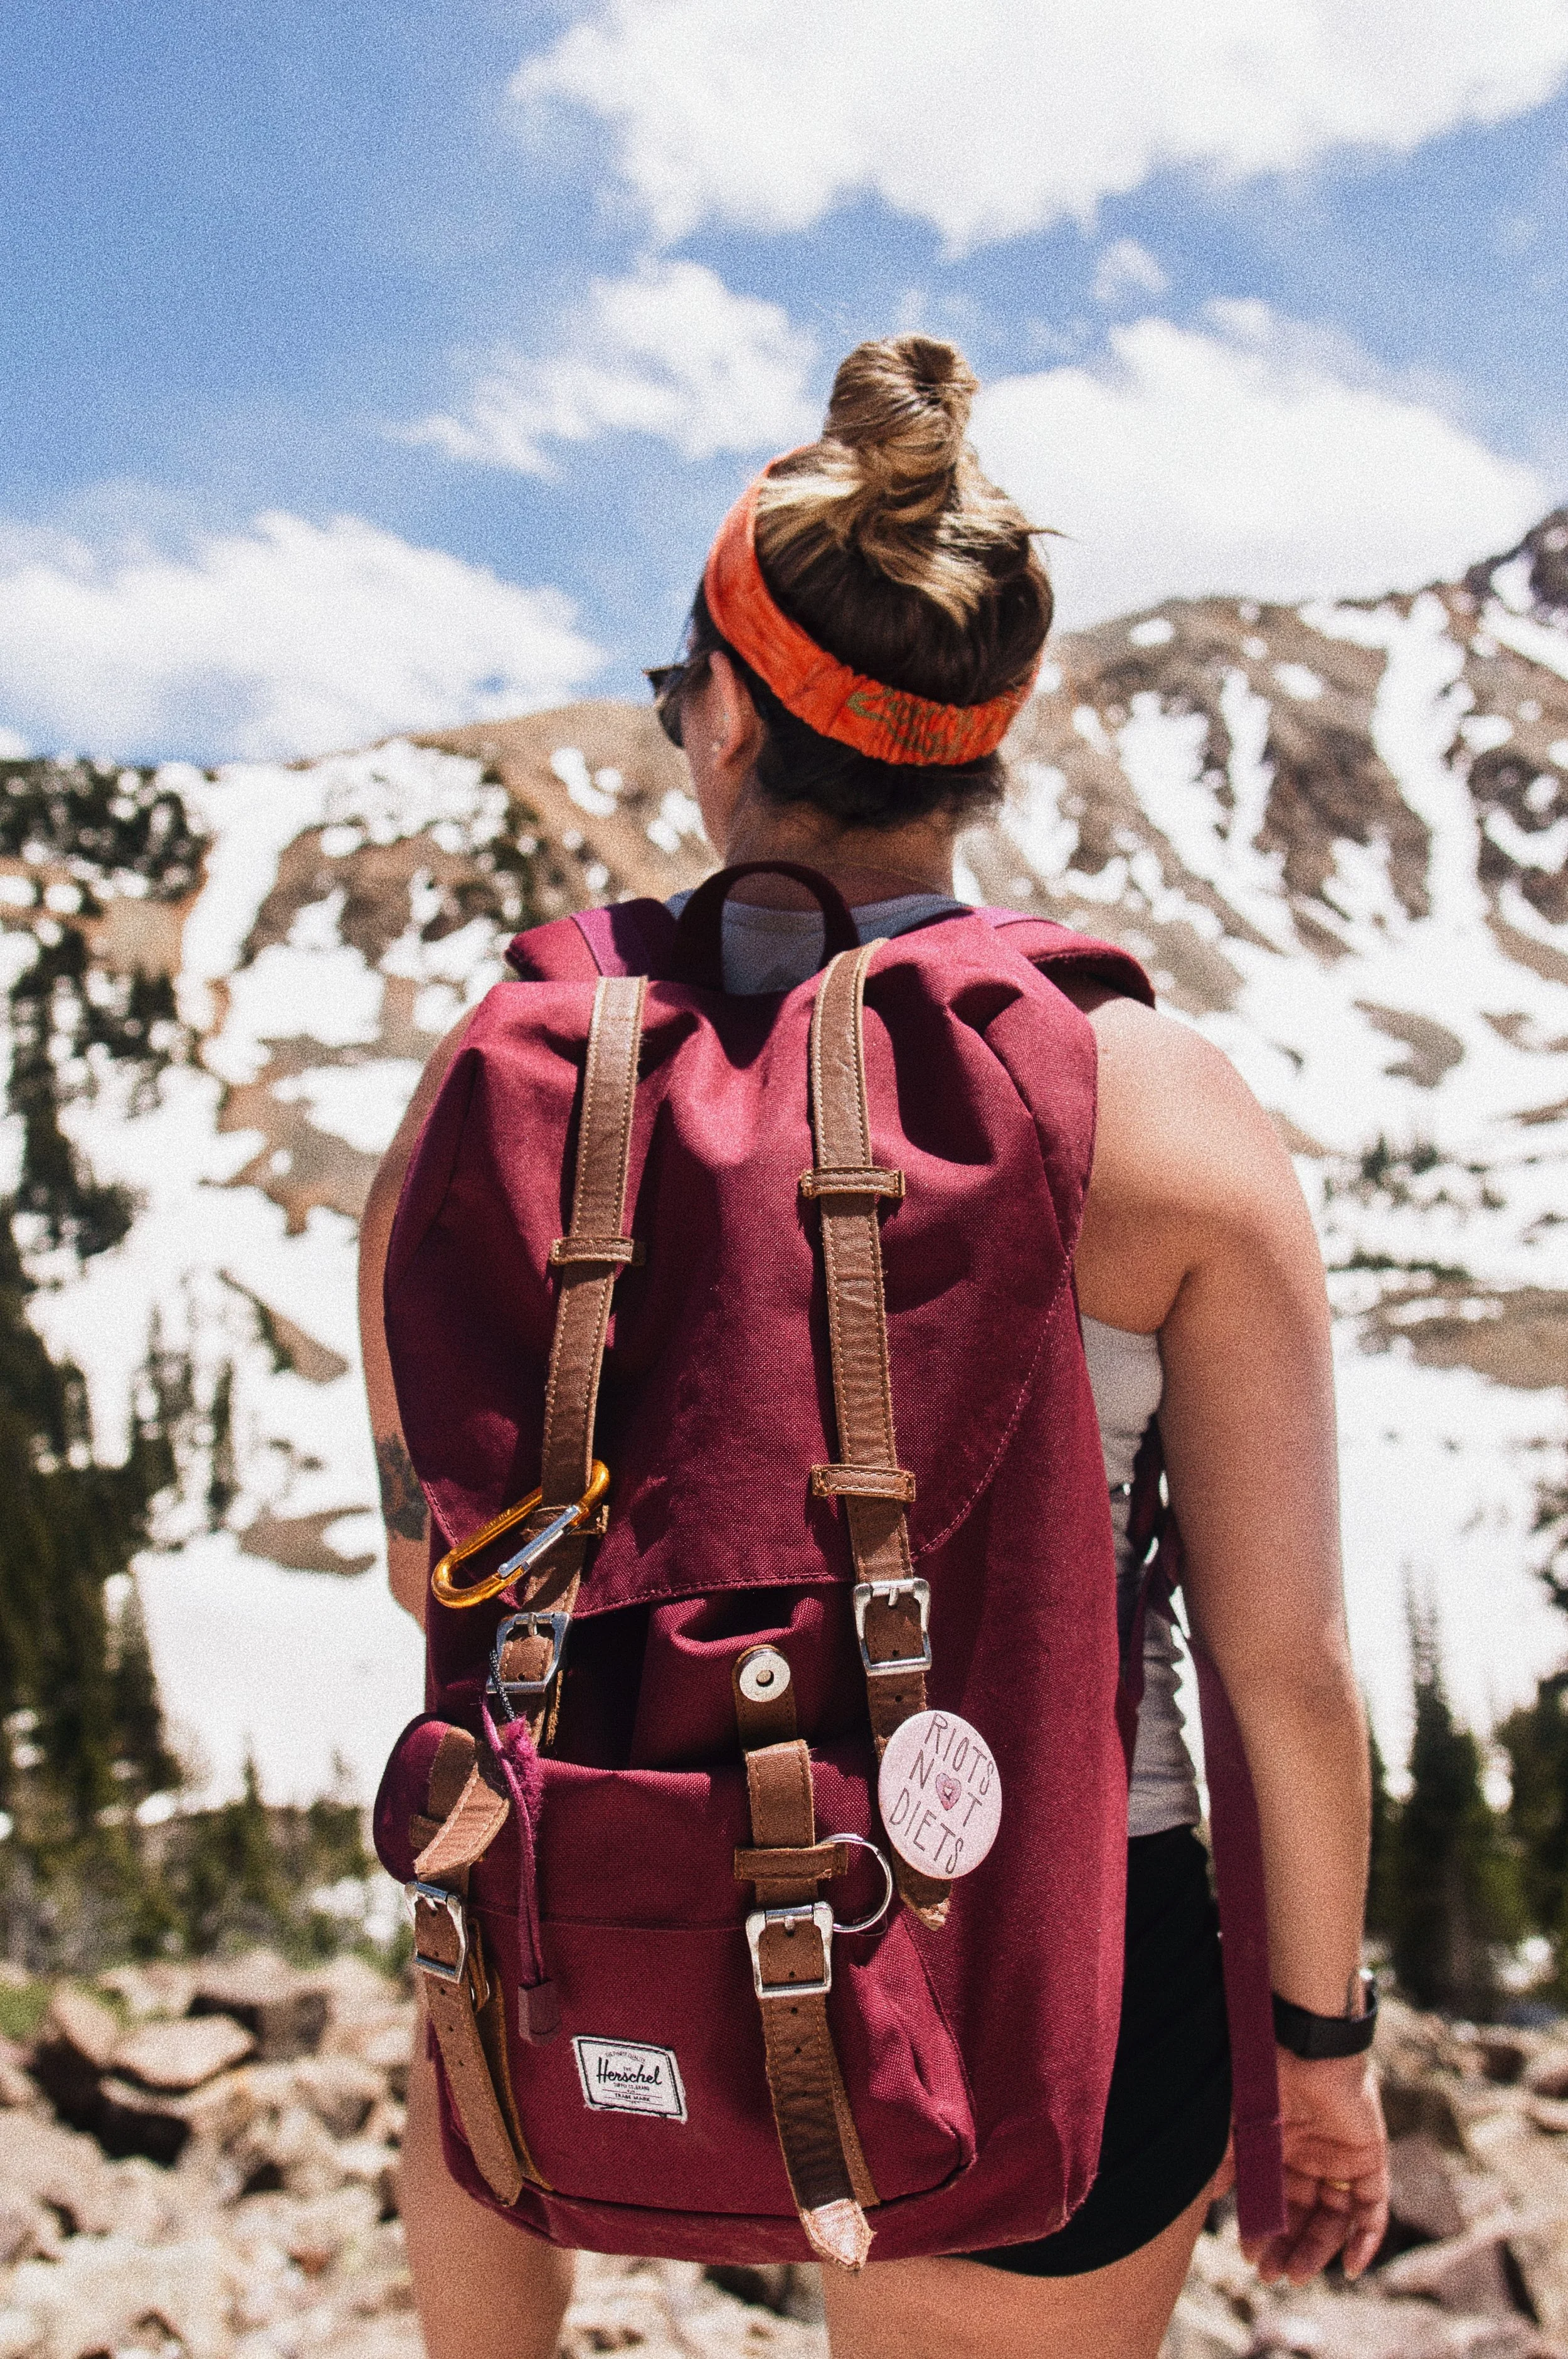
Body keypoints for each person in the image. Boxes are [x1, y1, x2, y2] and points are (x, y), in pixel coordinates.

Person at [360, 334, 1389, 2359]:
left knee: (472, 2029)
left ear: (727, 713)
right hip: (1031, 1960)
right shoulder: (1152, 1107)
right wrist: (1316, 2050)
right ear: (977, 744)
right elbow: (1289, 1671)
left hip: (591, 1929)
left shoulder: (499, 1092)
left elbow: (444, 1583)